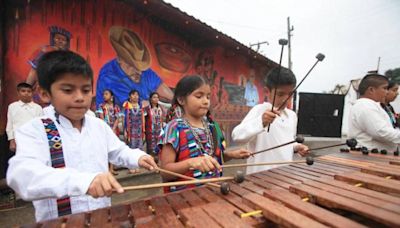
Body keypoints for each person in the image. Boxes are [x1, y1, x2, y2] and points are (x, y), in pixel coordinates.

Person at [6, 50, 157, 222]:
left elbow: (119, 151)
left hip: (101, 218)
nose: (79, 98)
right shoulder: (35, 130)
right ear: (44, 93)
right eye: (68, 90)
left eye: (85, 90)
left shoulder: (98, 126)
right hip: (59, 223)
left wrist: (138, 157)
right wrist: (84, 181)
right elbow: (21, 175)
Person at [158, 75, 251, 193]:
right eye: (199, 96)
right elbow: (165, 172)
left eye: (208, 96)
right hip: (184, 198)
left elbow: (215, 159)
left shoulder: (213, 127)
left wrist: (231, 154)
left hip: (213, 192)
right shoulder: (174, 128)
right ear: (181, 100)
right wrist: (191, 163)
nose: (206, 101)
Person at [231, 67, 309, 174]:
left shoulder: (292, 116)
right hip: (259, 178)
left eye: (290, 94)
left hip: (285, 176)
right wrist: (261, 121)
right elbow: (237, 136)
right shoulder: (259, 110)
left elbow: (286, 143)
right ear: (267, 91)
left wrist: (296, 147)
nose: (286, 99)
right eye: (280, 94)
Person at [96, 26, 173, 107]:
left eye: (139, 66)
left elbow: (163, 89)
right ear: (119, 59)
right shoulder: (108, 76)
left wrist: (176, 102)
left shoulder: (143, 70)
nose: (139, 71)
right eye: (132, 65)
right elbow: (135, 105)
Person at [348, 73, 400, 152]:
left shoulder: (372, 105)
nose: (386, 92)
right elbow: (381, 132)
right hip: (369, 157)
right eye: (385, 88)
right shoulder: (365, 105)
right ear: (371, 90)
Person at [26, 26, 71, 106]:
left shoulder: (69, 57)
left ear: (67, 42)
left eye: (63, 40)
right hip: (43, 90)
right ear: (53, 38)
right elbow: (33, 71)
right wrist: (27, 88)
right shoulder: (44, 51)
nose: (60, 41)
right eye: (58, 38)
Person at [6, 83, 43, 152]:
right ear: (18, 93)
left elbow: (41, 125)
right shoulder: (12, 106)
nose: (26, 93)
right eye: (23, 91)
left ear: (32, 93)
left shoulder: (37, 108)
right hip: (18, 139)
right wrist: (11, 140)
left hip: (34, 139)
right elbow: (10, 124)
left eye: (29, 91)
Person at [97, 89, 123, 174]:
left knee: (112, 148)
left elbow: (117, 118)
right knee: (105, 148)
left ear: (111, 97)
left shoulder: (116, 107)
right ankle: (106, 169)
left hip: (114, 130)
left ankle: (112, 168)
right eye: (104, 94)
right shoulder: (101, 106)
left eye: (106, 94)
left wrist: (113, 128)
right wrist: (106, 128)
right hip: (104, 130)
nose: (104, 96)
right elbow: (101, 118)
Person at [143, 92, 165, 157]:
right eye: (154, 97)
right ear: (150, 99)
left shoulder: (161, 108)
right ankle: (151, 161)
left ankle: (158, 162)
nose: (156, 99)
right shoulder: (147, 109)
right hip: (150, 131)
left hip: (159, 130)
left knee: (160, 146)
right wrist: (144, 130)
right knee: (151, 148)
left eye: (157, 97)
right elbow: (143, 120)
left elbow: (162, 118)